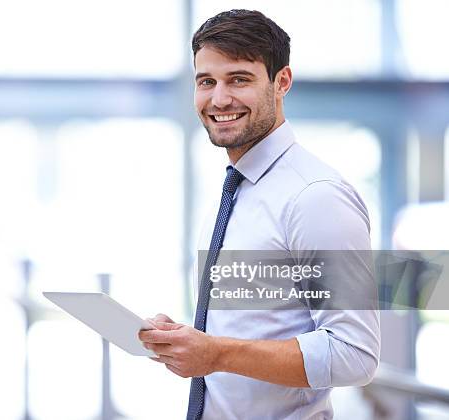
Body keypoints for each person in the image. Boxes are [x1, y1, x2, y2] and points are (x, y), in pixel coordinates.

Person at [138, 9, 381, 420]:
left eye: (239, 79)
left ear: (281, 82)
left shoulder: (315, 196)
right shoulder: (238, 188)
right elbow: (264, 325)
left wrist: (218, 353)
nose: (219, 99)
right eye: (206, 82)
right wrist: (190, 342)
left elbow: (355, 353)